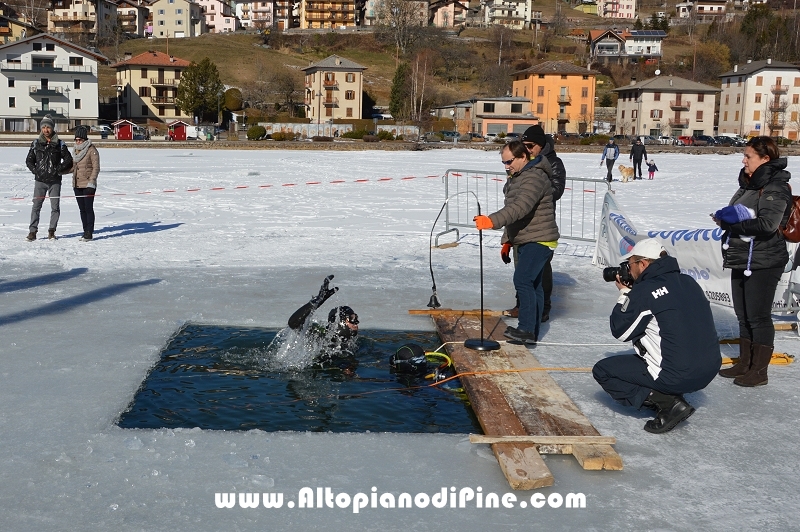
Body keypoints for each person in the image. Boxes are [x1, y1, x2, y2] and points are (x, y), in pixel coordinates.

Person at [592, 239, 720, 434]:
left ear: (643, 264)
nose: (628, 269)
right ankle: (670, 390)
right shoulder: (689, 282)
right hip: (708, 371)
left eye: (631, 264)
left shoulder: (645, 291)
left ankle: (668, 403)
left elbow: (620, 330)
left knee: (603, 371)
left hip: (678, 375)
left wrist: (626, 295)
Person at [712, 136, 791, 387]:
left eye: (749, 157)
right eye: (744, 156)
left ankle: (759, 371)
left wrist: (730, 223)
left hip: (764, 260)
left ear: (765, 159)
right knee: (743, 315)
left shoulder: (775, 186)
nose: (744, 160)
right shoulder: (748, 183)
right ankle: (745, 363)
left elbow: (768, 224)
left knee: (758, 316)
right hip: (742, 257)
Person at [474, 140, 559, 345]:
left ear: (523, 157)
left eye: (509, 161)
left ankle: (526, 329)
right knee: (535, 285)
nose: (506, 166)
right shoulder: (518, 176)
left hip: (539, 239)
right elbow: (516, 216)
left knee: (523, 280)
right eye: (503, 162)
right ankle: (532, 331)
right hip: (527, 238)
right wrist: (508, 241)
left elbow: (520, 207)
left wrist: (492, 220)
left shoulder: (534, 177)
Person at [503, 125, 566, 322]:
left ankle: (543, 308)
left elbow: (556, 190)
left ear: (540, 145)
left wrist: (535, 189)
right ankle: (522, 305)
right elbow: (511, 192)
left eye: (530, 146)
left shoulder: (553, 163)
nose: (527, 149)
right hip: (520, 223)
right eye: (524, 145)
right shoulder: (523, 163)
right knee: (521, 270)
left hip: (540, 224)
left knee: (541, 270)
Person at [25, 115, 73, 241]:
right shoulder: (36, 143)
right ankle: (32, 232)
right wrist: (36, 171)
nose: (46, 130)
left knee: (55, 207)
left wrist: (58, 170)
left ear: (52, 128)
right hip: (40, 182)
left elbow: (69, 160)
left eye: (48, 127)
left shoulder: (59, 144)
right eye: (44, 127)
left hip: (55, 182)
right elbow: (29, 161)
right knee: (36, 206)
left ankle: (52, 231)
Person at [287, 275, 359, 358]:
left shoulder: (350, 343)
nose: (357, 322)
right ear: (339, 321)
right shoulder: (321, 338)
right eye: (352, 318)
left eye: (356, 317)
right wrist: (316, 301)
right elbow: (293, 323)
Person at [70, 125, 99, 241]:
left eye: (80, 140)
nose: (78, 142)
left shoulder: (92, 150)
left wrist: (91, 182)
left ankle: (89, 232)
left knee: (88, 208)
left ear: (85, 139)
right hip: (77, 185)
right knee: (82, 209)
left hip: (88, 185)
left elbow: (96, 168)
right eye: (76, 140)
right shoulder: (76, 151)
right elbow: (73, 167)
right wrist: (61, 171)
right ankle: (85, 230)